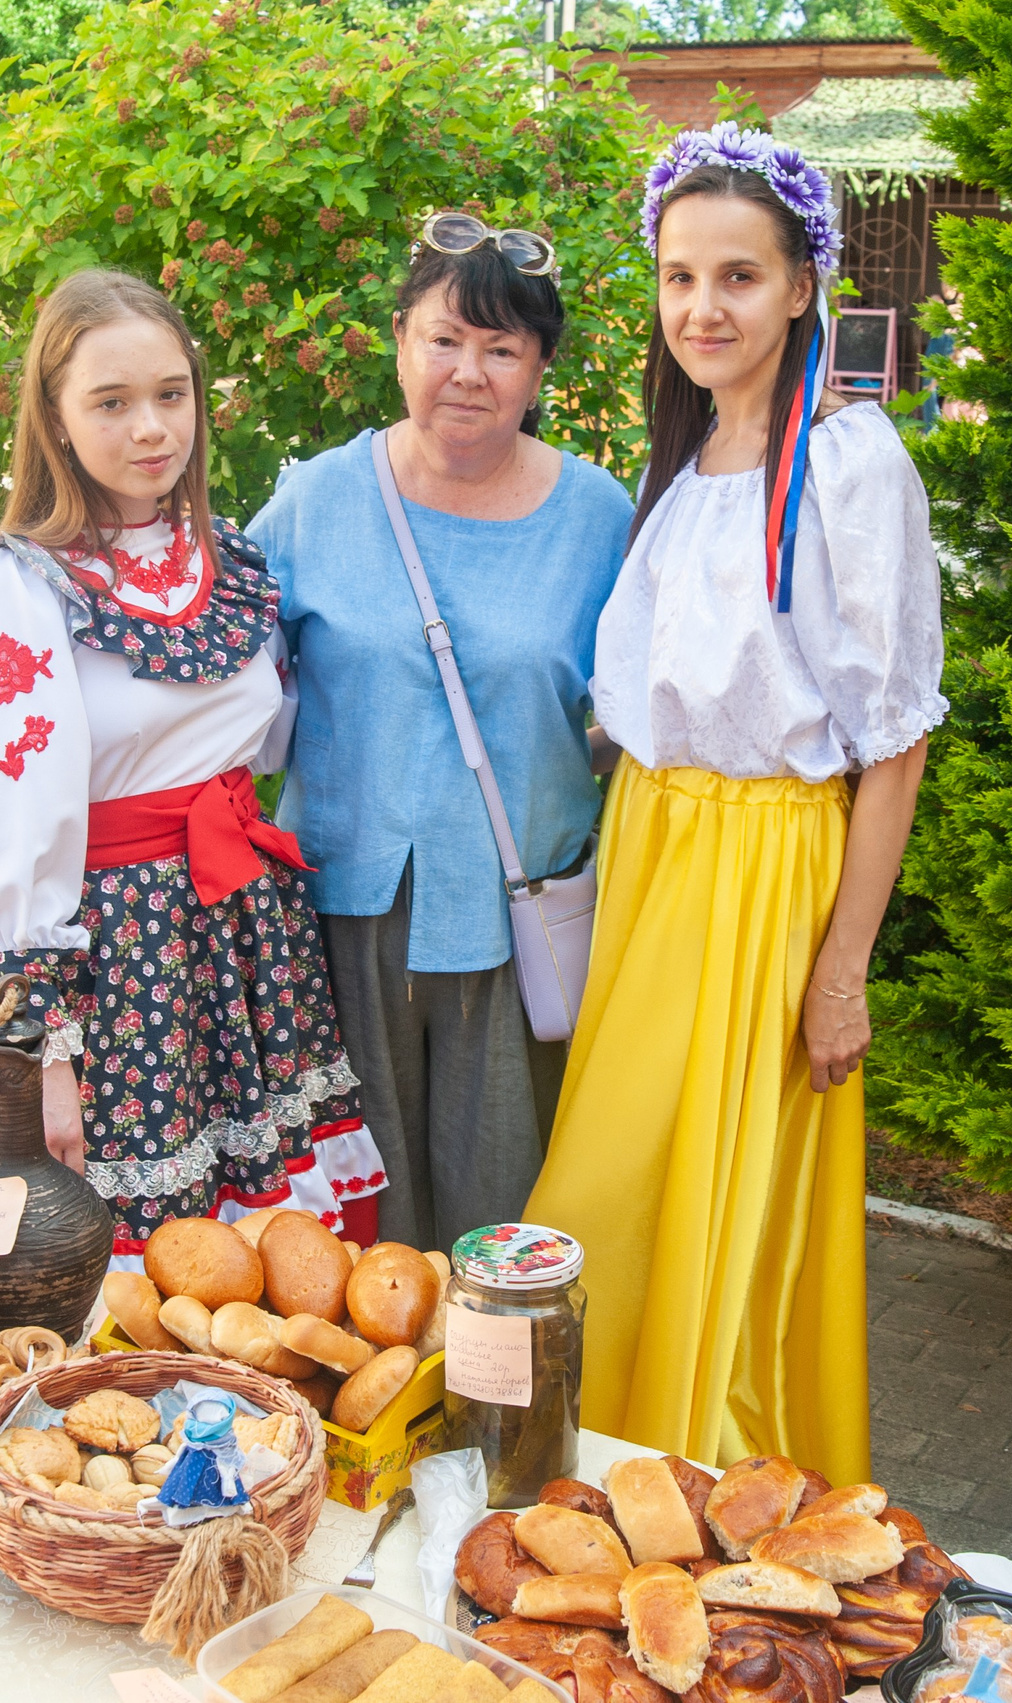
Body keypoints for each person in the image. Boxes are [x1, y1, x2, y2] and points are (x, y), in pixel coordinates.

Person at [525, 126, 947, 1482]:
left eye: (739, 278)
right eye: (679, 277)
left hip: (765, 868)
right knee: (627, 1181)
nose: (703, 307)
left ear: (803, 286)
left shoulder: (848, 461)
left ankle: (702, 1479)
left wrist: (843, 967)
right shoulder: (692, 450)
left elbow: (894, 741)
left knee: (705, 1194)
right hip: (657, 846)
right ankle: (605, 1470)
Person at [0, 268, 386, 1262]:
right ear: (53, 418)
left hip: (250, 935)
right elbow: (7, 814)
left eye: (170, 394)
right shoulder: (18, 587)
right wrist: (46, 1054)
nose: (151, 428)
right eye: (111, 402)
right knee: (148, 1251)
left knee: (278, 1258)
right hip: (120, 957)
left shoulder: (228, 558)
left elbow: (265, 738)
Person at [248, 215, 634, 1255]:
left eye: (502, 349)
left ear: (540, 366)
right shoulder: (313, 499)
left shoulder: (600, 517)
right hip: (337, 917)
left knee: (504, 1216)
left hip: (515, 921)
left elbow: (646, 710)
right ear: (399, 339)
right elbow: (227, 688)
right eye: (444, 339)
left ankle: (498, 1410)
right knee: (345, 1222)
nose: (469, 372)